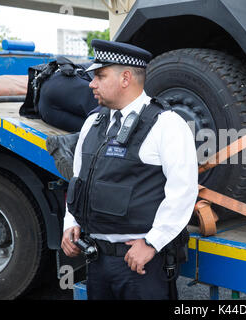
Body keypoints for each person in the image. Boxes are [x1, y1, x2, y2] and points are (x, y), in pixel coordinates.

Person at [60, 39, 198, 300]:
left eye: (100, 76)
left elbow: (183, 190)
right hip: (97, 260)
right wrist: (71, 223)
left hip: (139, 263)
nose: (92, 84)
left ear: (125, 78)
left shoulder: (166, 124)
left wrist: (152, 243)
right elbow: (79, 180)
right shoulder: (93, 122)